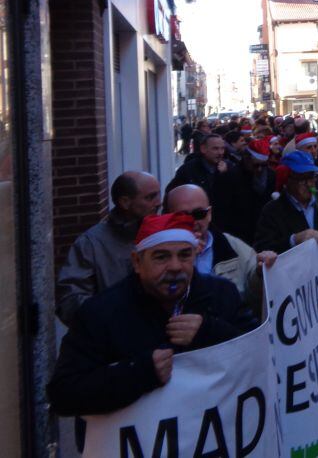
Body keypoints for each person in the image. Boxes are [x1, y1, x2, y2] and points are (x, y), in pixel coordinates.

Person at [47, 213, 257, 416]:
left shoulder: (221, 294)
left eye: (185, 255)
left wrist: (210, 331)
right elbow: (63, 394)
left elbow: (258, 350)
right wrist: (139, 372)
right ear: (137, 262)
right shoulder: (101, 312)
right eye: (161, 257)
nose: (175, 267)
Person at [55, 172, 162, 327]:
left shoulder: (163, 234)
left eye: (158, 195)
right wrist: (113, 321)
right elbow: (69, 301)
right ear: (125, 202)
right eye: (150, 197)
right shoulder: (91, 244)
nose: (158, 202)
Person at [164, 184, 276, 316]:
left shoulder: (233, 246)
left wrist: (260, 273)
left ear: (209, 214)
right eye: (182, 216)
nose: (192, 221)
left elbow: (255, 300)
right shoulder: (157, 254)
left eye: (199, 214)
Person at [166, 133, 231, 195]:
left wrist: (225, 175)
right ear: (203, 149)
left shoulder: (229, 166)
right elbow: (172, 193)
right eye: (215, 148)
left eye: (222, 149)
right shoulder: (188, 169)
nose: (220, 153)